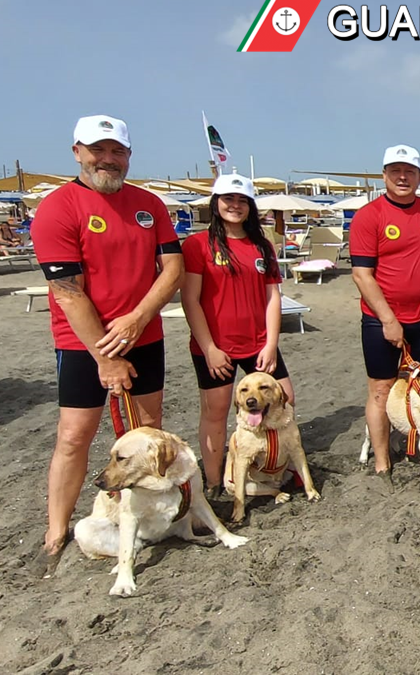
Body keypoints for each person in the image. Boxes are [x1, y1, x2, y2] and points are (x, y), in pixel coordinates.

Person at [30, 115, 184, 575]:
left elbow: (171, 268)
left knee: (149, 429)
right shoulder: (58, 207)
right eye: (98, 150)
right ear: (77, 151)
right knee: (75, 436)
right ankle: (55, 533)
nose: (108, 159)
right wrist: (104, 355)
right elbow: (67, 291)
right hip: (83, 343)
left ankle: (151, 515)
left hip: (143, 334)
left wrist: (139, 317)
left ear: (129, 156)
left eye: (117, 151)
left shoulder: (148, 204)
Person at [181, 173, 295, 494]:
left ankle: (272, 466)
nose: (235, 205)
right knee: (216, 412)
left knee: (285, 399)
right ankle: (216, 480)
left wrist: (272, 343)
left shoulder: (261, 245)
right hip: (216, 346)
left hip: (259, 342)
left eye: (242, 200)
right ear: (216, 203)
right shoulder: (197, 244)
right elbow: (190, 299)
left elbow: (273, 296)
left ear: (250, 207)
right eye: (228, 199)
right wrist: (209, 347)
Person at [350, 145, 420, 480]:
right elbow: (362, 274)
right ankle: (381, 460)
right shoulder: (369, 215)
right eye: (395, 171)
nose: (402, 177)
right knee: (381, 389)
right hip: (382, 319)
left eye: (409, 171)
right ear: (385, 175)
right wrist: (389, 320)